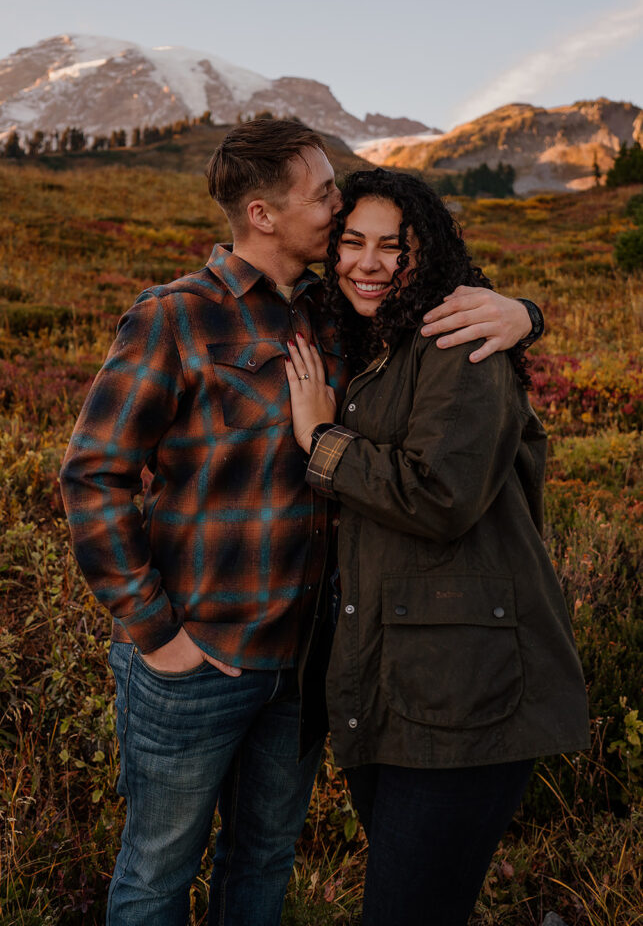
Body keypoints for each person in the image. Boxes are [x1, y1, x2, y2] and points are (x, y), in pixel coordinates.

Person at [59, 120, 544, 926]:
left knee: (264, 854)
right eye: (323, 197)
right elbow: (93, 474)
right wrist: (155, 633)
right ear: (262, 214)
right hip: (196, 659)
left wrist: (523, 312)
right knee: (157, 869)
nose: (337, 208)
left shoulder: (336, 313)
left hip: (306, 665)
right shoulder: (175, 317)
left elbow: (430, 312)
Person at [284, 167, 590, 926]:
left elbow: (440, 494)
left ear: (429, 254)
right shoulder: (370, 333)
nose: (368, 263)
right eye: (352, 241)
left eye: (394, 246)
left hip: (464, 689)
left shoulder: (457, 338)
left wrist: (321, 440)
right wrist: (529, 313)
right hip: (397, 682)